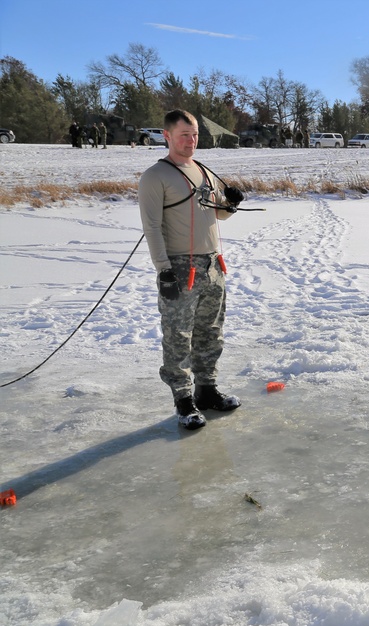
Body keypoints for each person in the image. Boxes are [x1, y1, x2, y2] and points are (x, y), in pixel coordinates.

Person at [138, 109, 245, 430]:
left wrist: (231, 205)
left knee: (211, 332)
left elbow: (217, 215)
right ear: (166, 135)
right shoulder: (155, 176)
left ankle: (207, 390)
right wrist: (164, 270)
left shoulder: (204, 171)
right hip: (180, 267)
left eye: (195, 134)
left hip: (212, 263)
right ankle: (184, 400)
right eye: (184, 135)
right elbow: (152, 228)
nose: (191, 140)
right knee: (177, 337)